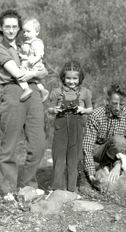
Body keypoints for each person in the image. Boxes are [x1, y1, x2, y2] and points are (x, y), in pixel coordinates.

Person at [0, 9, 48, 196]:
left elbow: (45, 71)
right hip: (13, 92)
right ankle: (7, 189)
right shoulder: (1, 49)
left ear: (19, 28)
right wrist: (35, 72)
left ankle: (28, 186)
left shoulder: (25, 45)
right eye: (6, 26)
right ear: (0, 28)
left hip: (32, 92)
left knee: (38, 143)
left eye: (14, 27)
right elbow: (17, 73)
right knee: (10, 144)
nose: (10, 30)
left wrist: (35, 73)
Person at [48, 61, 93, 192]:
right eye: (68, 78)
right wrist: (55, 110)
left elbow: (90, 109)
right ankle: (57, 189)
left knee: (73, 158)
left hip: (76, 126)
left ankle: (71, 189)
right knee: (59, 157)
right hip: (61, 126)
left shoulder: (85, 92)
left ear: (80, 78)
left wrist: (82, 109)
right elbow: (49, 109)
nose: (71, 81)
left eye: (75, 78)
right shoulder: (57, 92)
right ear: (63, 77)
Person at [82, 83, 126, 185]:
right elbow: (87, 146)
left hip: (116, 153)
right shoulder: (97, 114)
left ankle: (110, 167)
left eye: (121, 104)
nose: (117, 108)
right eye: (114, 103)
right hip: (98, 150)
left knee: (120, 141)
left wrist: (119, 165)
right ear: (107, 101)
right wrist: (90, 173)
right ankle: (102, 167)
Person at [18, 17, 49, 102]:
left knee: (20, 76)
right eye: (24, 32)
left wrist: (34, 59)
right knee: (35, 80)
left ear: (37, 32)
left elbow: (39, 54)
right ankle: (43, 90)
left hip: (32, 64)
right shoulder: (26, 43)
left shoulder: (36, 42)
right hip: (28, 64)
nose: (25, 34)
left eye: (28, 32)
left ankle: (26, 89)